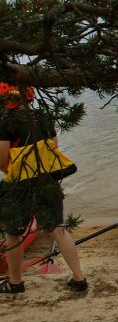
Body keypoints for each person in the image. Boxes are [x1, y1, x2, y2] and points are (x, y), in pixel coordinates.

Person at [0, 83, 87, 294]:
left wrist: (11, 173)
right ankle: (79, 278)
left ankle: (15, 282)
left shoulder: (6, 122)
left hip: (18, 184)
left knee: (13, 233)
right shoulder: (43, 117)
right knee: (58, 229)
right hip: (46, 180)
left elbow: (2, 159)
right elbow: (54, 146)